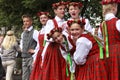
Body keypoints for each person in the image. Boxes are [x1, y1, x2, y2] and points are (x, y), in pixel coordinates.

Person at [98, 0, 120, 80]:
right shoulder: (117, 22)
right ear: (114, 8)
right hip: (118, 51)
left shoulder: (101, 25)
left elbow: (101, 42)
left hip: (106, 53)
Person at [30, 11, 50, 80]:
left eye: (45, 18)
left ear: (48, 19)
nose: (43, 19)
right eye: (41, 18)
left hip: (48, 53)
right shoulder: (40, 31)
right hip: (40, 54)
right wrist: (35, 57)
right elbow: (38, 45)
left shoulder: (49, 29)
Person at [20, 14, 39, 80]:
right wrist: (21, 48)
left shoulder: (35, 32)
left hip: (32, 57)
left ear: (31, 22)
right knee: (24, 76)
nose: (25, 23)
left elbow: (40, 43)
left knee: (33, 75)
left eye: (27, 21)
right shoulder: (23, 33)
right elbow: (21, 42)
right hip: (24, 57)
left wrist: (35, 51)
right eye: (24, 21)